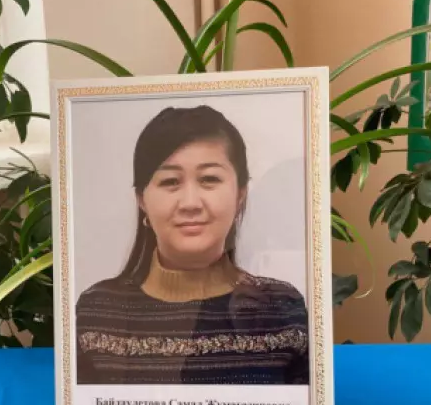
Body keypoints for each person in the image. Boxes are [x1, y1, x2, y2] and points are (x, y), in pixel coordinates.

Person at [75, 105, 309, 385]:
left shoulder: (282, 308)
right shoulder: (97, 311)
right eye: (170, 181)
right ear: (141, 199)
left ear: (240, 194)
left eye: (209, 179)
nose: (190, 203)